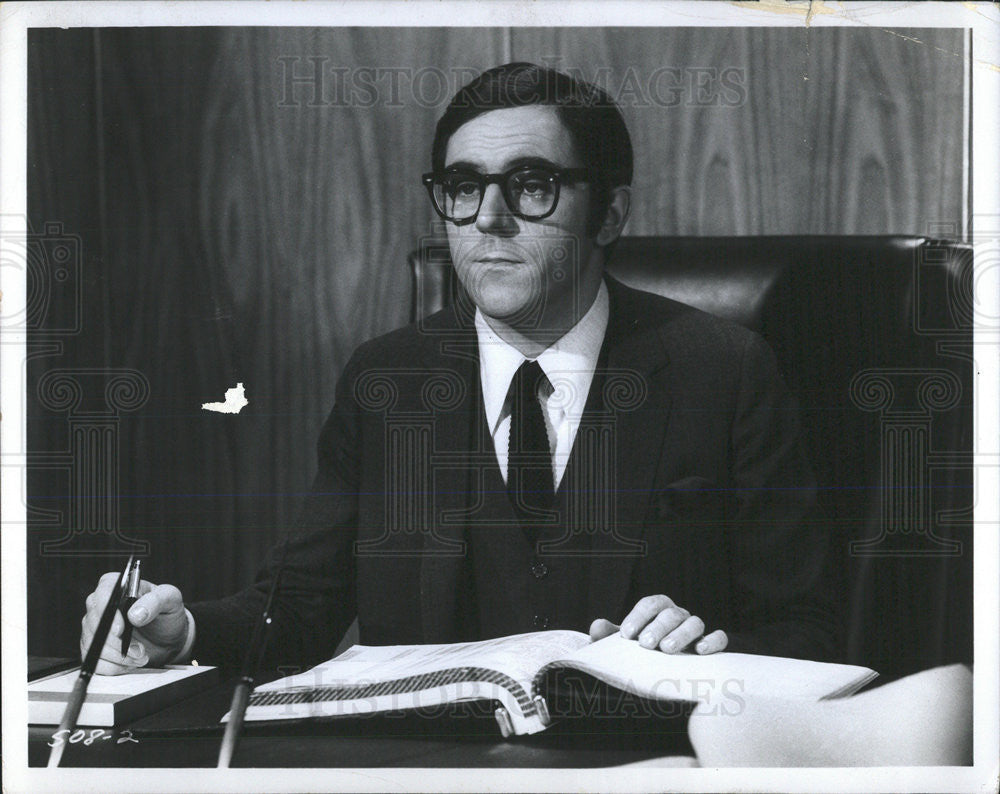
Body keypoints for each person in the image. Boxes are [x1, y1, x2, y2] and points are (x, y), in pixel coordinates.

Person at [81, 62, 839, 675]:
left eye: (533, 184)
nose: (487, 217)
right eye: (463, 186)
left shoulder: (726, 370)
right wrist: (178, 633)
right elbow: (300, 609)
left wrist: (707, 648)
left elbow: (810, 627)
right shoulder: (386, 382)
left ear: (610, 215)